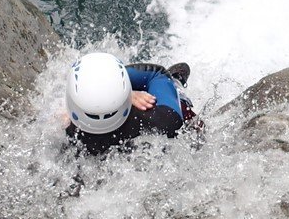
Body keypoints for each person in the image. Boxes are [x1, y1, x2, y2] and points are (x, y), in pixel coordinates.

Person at [65, 53, 196, 154]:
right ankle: (173, 82)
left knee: (183, 118)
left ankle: (175, 82)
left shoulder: (64, 134)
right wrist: (128, 93)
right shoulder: (163, 119)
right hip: (145, 114)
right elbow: (157, 74)